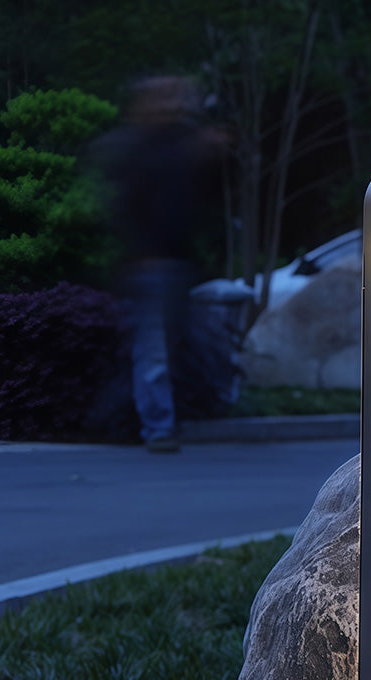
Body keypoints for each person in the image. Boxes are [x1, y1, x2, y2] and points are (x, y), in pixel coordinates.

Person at [101, 77, 216, 452]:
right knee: (153, 347)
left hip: (174, 260)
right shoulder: (140, 147)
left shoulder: (178, 143)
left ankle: (143, 417)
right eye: (166, 98)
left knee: (170, 343)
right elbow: (131, 204)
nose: (174, 105)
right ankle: (156, 426)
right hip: (150, 263)